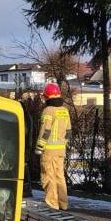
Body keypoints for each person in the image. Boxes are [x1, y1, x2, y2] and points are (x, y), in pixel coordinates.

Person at [36, 82, 71, 210]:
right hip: (61, 150)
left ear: (47, 96)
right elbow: (69, 132)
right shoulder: (65, 111)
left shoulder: (48, 111)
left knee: (48, 176)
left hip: (48, 150)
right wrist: (62, 145)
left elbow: (45, 131)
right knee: (60, 176)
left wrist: (39, 147)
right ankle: (63, 203)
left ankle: (52, 204)